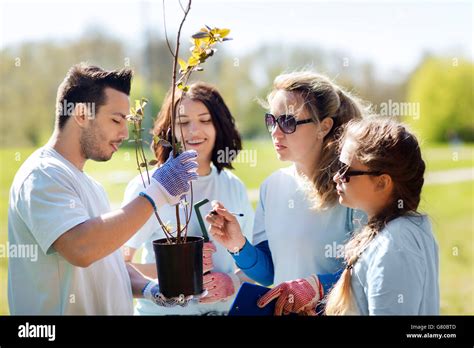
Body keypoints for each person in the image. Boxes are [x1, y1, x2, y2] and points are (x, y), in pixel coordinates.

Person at [8, 63, 198, 314]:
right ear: (81, 115)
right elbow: (81, 248)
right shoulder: (42, 174)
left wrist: (151, 290)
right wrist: (157, 192)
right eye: (116, 120)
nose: (124, 133)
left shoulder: (91, 186)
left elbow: (109, 262)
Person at [206, 71, 367, 315]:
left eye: (288, 122)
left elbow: (371, 271)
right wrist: (238, 244)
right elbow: (269, 272)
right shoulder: (271, 186)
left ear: (323, 127)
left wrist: (318, 287)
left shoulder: (350, 186)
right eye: (272, 120)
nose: (276, 132)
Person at [122, 82, 255, 315]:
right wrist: (180, 268)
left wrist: (232, 283)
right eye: (183, 122)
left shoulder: (234, 187)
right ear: (169, 129)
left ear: (219, 126)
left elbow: (255, 265)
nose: (194, 131)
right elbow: (119, 266)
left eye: (205, 121)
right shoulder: (150, 186)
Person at [324, 117, 439, 315]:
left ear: (382, 182)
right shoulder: (397, 232)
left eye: (345, 170)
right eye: (338, 165)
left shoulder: (395, 244)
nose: (336, 177)